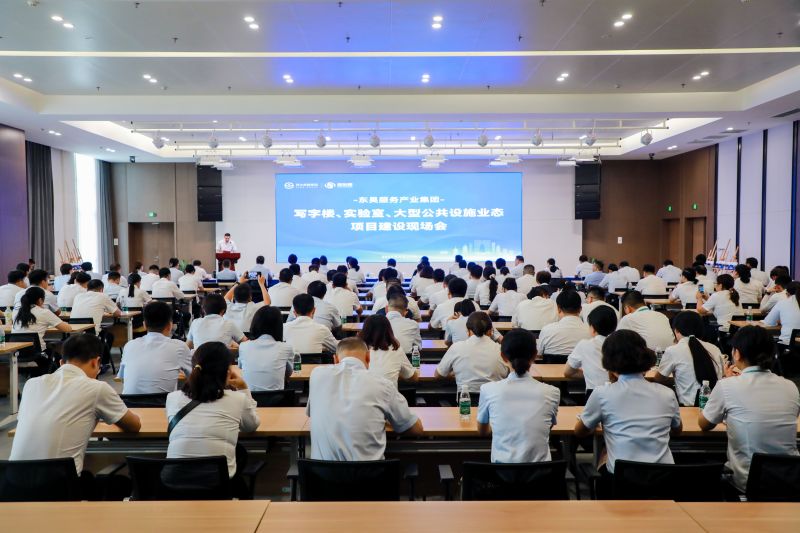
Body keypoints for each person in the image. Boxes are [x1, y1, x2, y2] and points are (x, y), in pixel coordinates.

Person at [10, 335, 141, 498]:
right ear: (96, 362)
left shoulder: (31, 385)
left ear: (61, 363)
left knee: (86, 475)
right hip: (57, 490)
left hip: (12, 486)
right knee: (121, 483)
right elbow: (134, 426)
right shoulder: (97, 388)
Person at [699, 325, 800, 494]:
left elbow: (704, 424)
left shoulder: (727, 386)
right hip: (790, 480)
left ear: (737, 353)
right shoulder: (790, 386)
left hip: (747, 483)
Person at [575, 330, 682, 486]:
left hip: (623, 480)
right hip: (663, 478)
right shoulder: (667, 394)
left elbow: (580, 431)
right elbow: (677, 430)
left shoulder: (603, 394)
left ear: (608, 361)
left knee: (605, 455)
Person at [166, 342, 259, 497]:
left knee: (238, 451)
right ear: (227, 371)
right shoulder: (237, 399)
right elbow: (252, 425)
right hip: (217, 487)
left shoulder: (172, 398)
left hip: (174, 486)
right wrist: (243, 388)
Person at [306, 337, 423, 460]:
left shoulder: (317, 375)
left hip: (321, 471)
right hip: (370, 472)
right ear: (368, 357)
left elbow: (311, 413)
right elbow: (416, 429)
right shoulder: (383, 384)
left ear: (335, 360)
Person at [477, 329, 560, 463]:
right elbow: (547, 427)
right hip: (541, 473)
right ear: (535, 355)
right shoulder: (552, 392)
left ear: (503, 357)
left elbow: (482, 431)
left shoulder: (488, 390)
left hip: (502, 473)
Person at [117, 301, 192, 394]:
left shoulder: (129, 345)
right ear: (170, 325)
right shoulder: (179, 347)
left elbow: (122, 378)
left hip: (129, 402)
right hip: (164, 402)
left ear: (144, 325)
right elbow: (193, 376)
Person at [652, 311, 724, 407]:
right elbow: (721, 375)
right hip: (715, 407)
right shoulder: (715, 349)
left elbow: (658, 379)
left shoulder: (673, 350)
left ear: (676, 331)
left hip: (687, 408)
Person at [435, 312, 509, 393]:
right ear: (491, 331)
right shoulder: (501, 350)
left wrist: (454, 374)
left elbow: (438, 375)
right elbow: (510, 375)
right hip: (494, 398)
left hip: (465, 399)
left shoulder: (456, 347)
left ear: (468, 331)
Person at [12, 287, 71, 372]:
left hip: (17, 354)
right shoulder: (43, 312)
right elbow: (67, 329)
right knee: (58, 350)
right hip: (37, 355)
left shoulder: (16, 312)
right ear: (40, 300)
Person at [238, 306, 296, 391]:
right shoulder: (286, 348)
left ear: (255, 324)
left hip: (249, 397)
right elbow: (289, 373)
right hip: (277, 398)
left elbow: (240, 366)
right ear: (279, 326)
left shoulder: (243, 346)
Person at [565, 305, 618, 391]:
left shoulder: (584, 345)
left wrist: (589, 373)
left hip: (594, 395)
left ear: (592, 328)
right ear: (615, 327)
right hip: (620, 395)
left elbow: (568, 372)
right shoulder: (623, 344)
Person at [359, 315, 417, 384]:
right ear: (388, 330)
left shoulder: (356, 350)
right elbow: (413, 377)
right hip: (388, 390)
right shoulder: (395, 350)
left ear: (365, 330)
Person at [537, 290, 591, 356]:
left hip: (553, 363)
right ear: (580, 309)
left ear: (558, 309)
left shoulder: (547, 330)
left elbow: (539, 353)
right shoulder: (591, 332)